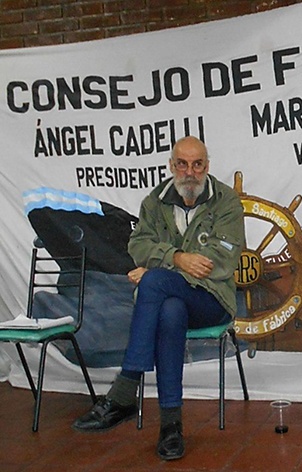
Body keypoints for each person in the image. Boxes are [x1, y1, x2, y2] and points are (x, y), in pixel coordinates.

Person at [73, 136, 245, 461]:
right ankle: (170, 428)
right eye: (182, 164)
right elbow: (137, 246)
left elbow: (219, 262)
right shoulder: (155, 201)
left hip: (212, 302)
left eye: (197, 164)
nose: (190, 172)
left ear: (207, 166)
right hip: (174, 300)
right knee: (170, 311)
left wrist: (158, 270)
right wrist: (177, 259)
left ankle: (126, 388)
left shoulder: (226, 202)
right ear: (171, 165)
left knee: (153, 282)